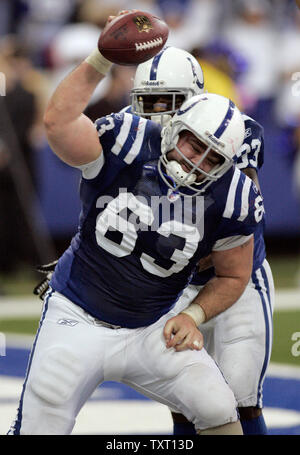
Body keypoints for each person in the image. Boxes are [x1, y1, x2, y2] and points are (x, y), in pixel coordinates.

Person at [9, 16, 264, 436]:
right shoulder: (126, 138)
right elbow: (57, 124)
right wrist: (100, 58)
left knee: (220, 406)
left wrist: (195, 314)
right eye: (191, 143)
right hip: (78, 316)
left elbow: (234, 271)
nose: (196, 160)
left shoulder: (234, 191)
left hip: (153, 324)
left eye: (211, 157)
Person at [124, 46, 274, 435]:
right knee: (185, 399)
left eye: (168, 101)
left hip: (235, 280)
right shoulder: (130, 133)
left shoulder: (236, 131)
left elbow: (236, 220)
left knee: (240, 397)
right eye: (148, 100)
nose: (157, 111)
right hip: (173, 282)